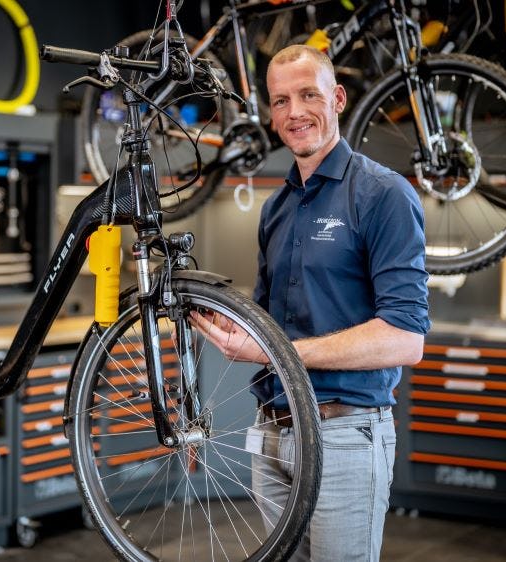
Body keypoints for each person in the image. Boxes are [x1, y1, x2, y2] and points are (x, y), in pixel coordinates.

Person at [192, 44, 430, 561]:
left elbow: (406, 338)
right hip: (272, 433)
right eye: (280, 101)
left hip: (342, 435)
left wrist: (277, 353)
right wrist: (227, 334)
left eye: (307, 95)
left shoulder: (382, 194)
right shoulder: (277, 208)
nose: (294, 113)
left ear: (338, 98)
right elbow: (265, 331)